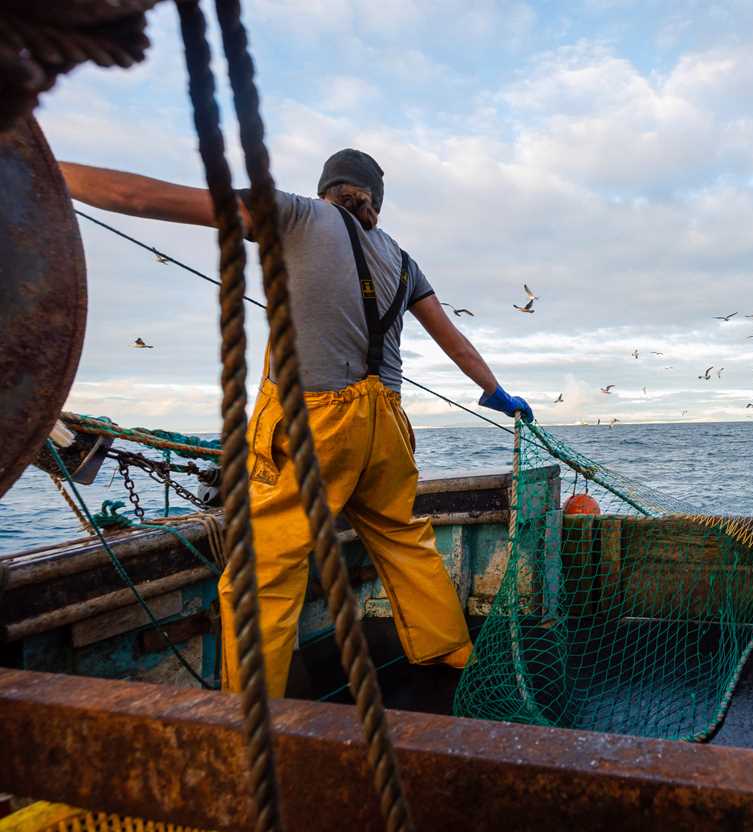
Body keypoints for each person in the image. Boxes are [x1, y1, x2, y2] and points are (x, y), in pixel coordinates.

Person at [60, 149, 533, 697]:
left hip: (315, 421)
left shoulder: (298, 215)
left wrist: (46, 170)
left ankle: (254, 709)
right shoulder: (403, 260)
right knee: (403, 538)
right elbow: (451, 336)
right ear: (374, 200)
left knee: (265, 569)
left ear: (326, 189)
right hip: (387, 424)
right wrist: (495, 392)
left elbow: (141, 197)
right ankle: (451, 650)